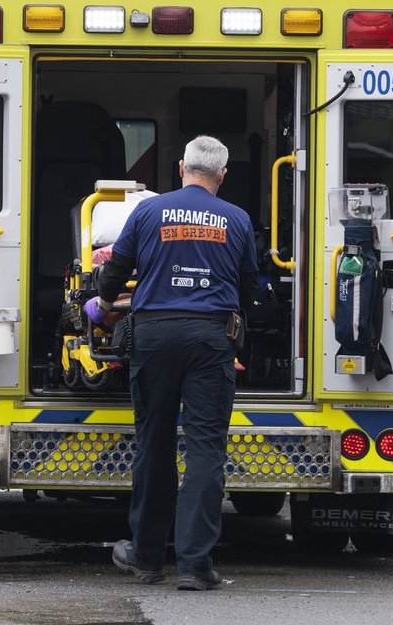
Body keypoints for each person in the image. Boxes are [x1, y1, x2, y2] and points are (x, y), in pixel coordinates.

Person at [84, 135, 258, 591]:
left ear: (181, 167)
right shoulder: (236, 219)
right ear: (222, 175)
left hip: (155, 336)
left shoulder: (147, 211)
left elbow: (116, 270)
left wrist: (102, 305)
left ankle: (145, 560)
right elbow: (249, 288)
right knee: (205, 450)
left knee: (154, 444)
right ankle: (196, 568)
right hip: (210, 339)